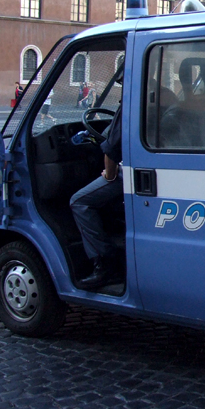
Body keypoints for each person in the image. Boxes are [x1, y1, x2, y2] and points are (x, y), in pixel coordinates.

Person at [69, 101, 124, 290]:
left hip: (130, 172)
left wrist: (109, 173)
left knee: (79, 201)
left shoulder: (130, 100)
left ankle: (104, 264)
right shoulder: (164, 96)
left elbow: (112, 148)